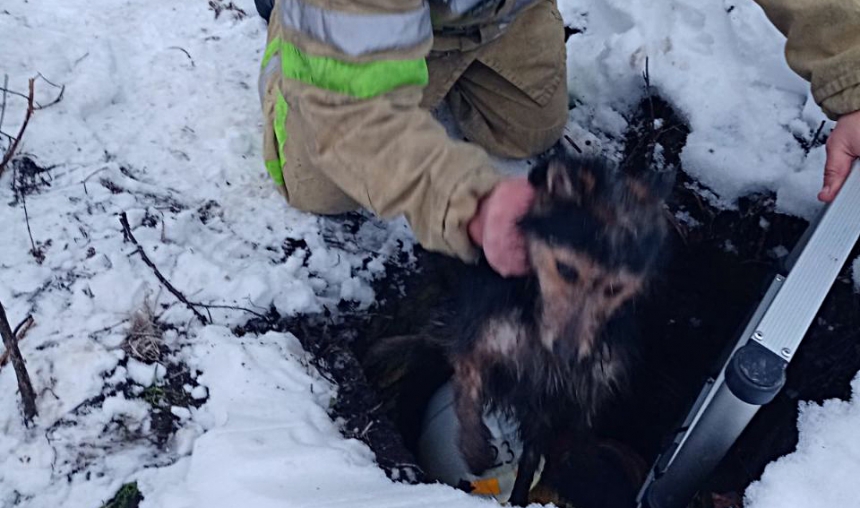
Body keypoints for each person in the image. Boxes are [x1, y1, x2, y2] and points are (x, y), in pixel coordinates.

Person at [257, 0, 860, 277]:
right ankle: (297, 40)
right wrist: (466, 203)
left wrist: (852, 74)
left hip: (494, 14)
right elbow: (353, 115)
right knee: (324, 186)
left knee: (528, 130)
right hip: (357, 34)